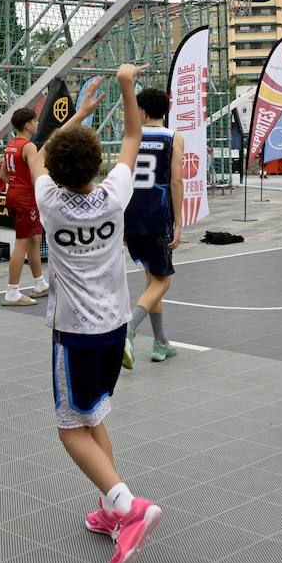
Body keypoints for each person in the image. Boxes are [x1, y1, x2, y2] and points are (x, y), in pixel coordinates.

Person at [25, 65, 160, 563]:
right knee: (94, 415)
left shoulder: (49, 202)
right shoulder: (114, 194)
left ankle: (128, 507)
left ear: (55, 172)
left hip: (74, 333)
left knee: (69, 428)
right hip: (115, 328)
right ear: (97, 165)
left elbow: (38, 149)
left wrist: (77, 114)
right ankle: (110, 509)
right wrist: (127, 86)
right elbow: (132, 132)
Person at [120, 89, 185, 369]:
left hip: (130, 213)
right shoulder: (173, 138)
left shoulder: (132, 138)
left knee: (151, 280)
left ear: (143, 111)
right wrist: (179, 222)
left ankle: (160, 343)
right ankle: (129, 330)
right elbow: (176, 182)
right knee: (163, 281)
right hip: (157, 216)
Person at [0, 108, 47, 306]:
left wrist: (18, 184)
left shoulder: (10, 145)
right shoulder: (29, 147)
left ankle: (40, 283)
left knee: (35, 238)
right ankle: (12, 292)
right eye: (35, 121)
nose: (37, 124)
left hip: (13, 195)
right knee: (21, 243)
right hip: (26, 199)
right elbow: (37, 175)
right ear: (27, 125)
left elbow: (2, 175)